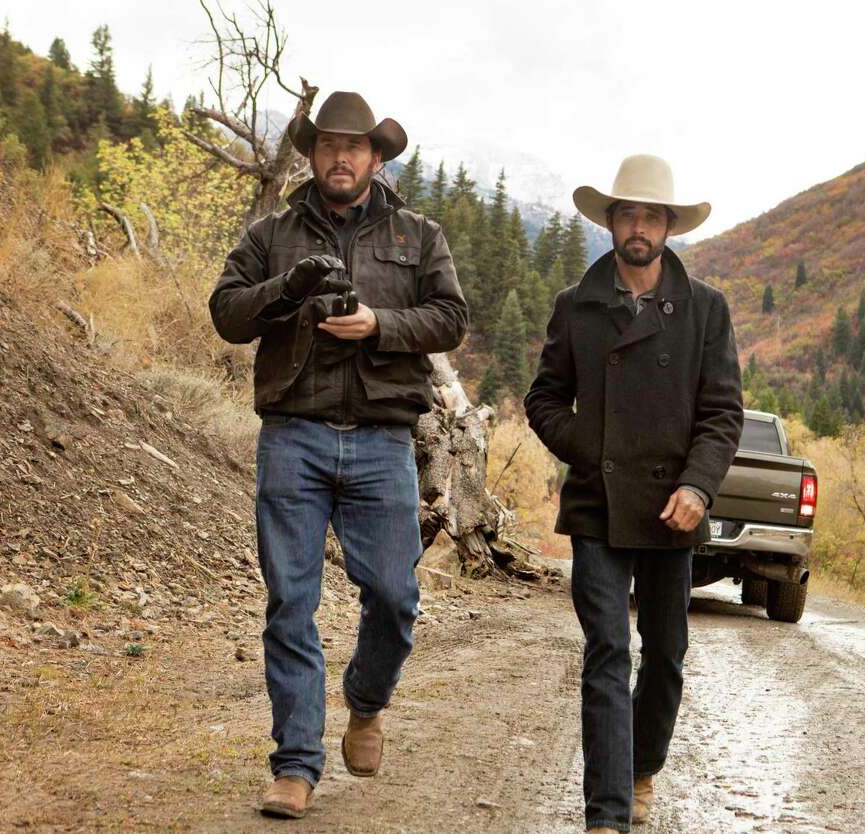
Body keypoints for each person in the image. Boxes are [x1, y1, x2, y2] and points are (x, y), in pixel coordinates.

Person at [208, 91, 468, 819]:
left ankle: (365, 700)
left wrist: (378, 324)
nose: (341, 157)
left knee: (394, 595)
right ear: (312, 153)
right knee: (291, 601)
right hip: (293, 434)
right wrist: (285, 290)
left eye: (354, 147)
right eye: (327, 145)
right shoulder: (271, 233)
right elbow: (226, 313)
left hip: (384, 442)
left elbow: (451, 318)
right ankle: (295, 764)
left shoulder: (420, 236)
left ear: (376, 158)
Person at [524, 154, 743, 832]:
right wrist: (591, 450)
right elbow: (544, 398)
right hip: (597, 504)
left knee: (667, 652)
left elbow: (722, 414)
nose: (639, 226)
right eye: (628, 214)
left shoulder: (705, 310)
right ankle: (607, 812)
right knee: (607, 651)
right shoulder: (577, 306)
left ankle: (643, 766)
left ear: (669, 226)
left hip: (673, 511)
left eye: (652, 215)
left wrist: (698, 487)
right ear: (612, 222)